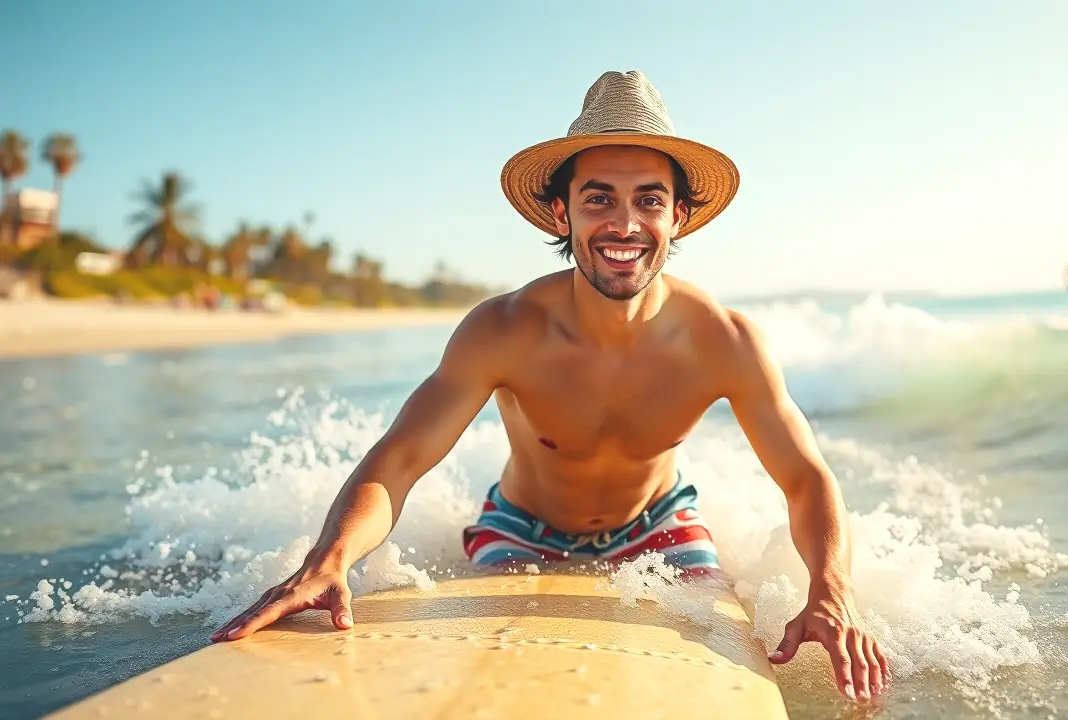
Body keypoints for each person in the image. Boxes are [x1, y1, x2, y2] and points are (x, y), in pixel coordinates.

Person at [211, 70, 889, 701]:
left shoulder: (723, 341)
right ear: (561, 213)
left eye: (648, 200)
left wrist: (831, 588)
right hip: (522, 530)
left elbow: (806, 478)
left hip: (661, 526)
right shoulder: (503, 331)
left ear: (677, 216)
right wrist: (327, 561)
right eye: (599, 199)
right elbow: (400, 461)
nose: (624, 224)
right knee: (506, 679)